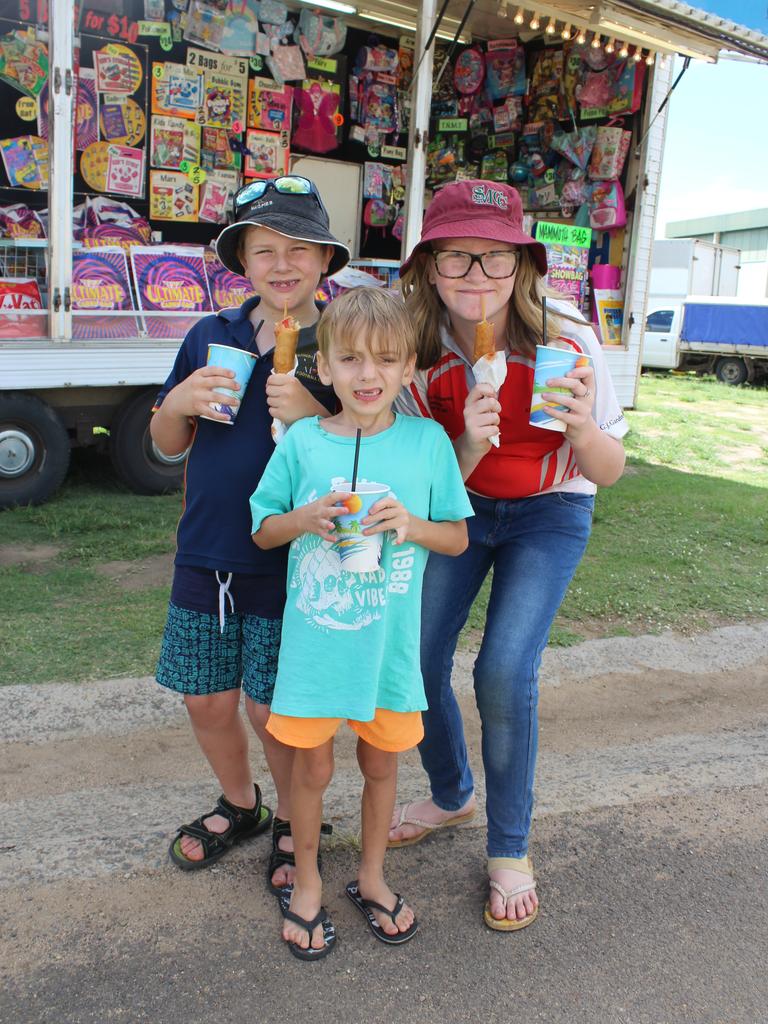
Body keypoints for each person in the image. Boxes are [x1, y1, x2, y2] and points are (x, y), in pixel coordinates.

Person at [389, 180, 628, 932]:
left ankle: (509, 847)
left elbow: (609, 467)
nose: (476, 279)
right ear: (430, 265)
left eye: (495, 260)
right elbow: (429, 485)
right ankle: (452, 791)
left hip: (551, 511)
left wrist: (585, 428)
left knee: (502, 669)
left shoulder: (568, 340)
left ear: (522, 266)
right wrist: (467, 440)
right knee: (415, 655)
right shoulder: (414, 351)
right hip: (461, 506)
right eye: (457, 259)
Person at [250, 288, 472, 960]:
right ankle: (310, 881)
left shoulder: (428, 442)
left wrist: (410, 524)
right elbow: (262, 530)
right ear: (324, 369)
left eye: (385, 360)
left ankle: (372, 876)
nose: (367, 374)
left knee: (382, 766)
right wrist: (303, 518)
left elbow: (458, 538)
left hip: (388, 652)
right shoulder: (302, 443)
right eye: (349, 359)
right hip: (316, 653)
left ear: (408, 371)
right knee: (310, 774)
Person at [151, 176, 350, 892]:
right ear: (243, 261)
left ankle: (300, 824)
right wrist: (177, 401)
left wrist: (312, 413)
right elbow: (167, 442)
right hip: (207, 551)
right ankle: (242, 805)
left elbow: (371, 445)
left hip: (295, 556)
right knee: (206, 698)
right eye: (264, 249)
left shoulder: (343, 342)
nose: (283, 263)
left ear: (326, 260)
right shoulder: (212, 334)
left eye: (300, 247)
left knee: (275, 710)